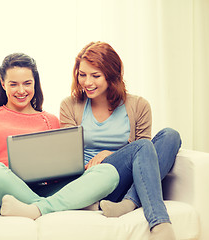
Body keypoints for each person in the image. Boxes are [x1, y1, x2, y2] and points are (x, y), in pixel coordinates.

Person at [0, 53, 119, 219]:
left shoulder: (51, 120)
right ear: (3, 84)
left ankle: (36, 209)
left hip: (46, 188)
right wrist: (12, 176)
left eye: (27, 83)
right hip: (4, 191)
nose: (21, 90)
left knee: (108, 172)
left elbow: (63, 166)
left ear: (35, 83)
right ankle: (60, 205)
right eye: (14, 84)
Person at [60, 41, 181, 240]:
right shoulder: (70, 105)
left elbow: (147, 156)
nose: (87, 82)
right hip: (93, 179)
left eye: (95, 75)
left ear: (112, 74)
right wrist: (101, 162)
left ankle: (129, 203)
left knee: (171, 135)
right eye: (82, 74)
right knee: (142, 146)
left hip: (130, 180)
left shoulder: (138, 105)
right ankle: (158, 220)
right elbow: (68, 158)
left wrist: (112, 154)